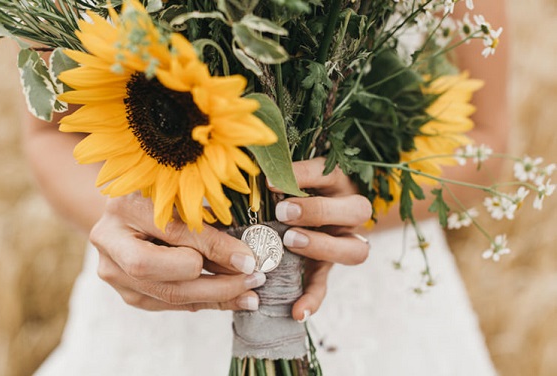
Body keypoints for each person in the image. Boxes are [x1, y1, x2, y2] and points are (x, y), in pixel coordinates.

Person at [28, 1, 507, 375]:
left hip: (380, 302)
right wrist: (137, 226)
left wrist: (354, 197)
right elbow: (50, 134)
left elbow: (487, 140)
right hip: (161, 295)